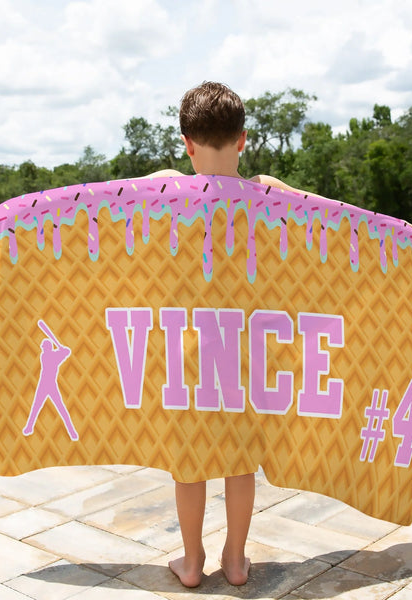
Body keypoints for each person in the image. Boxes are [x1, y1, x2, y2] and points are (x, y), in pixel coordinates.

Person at [146, 81, 302, 588]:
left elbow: (95, 205)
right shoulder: (267, 190)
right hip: (246, 349)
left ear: (187, 143)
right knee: (241, 460)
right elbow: (334, 215)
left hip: (187, 350)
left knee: (188, 461)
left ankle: (192, 562)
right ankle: (235, 560)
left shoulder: (166, 187)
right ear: (243, 138)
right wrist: (398, 232)